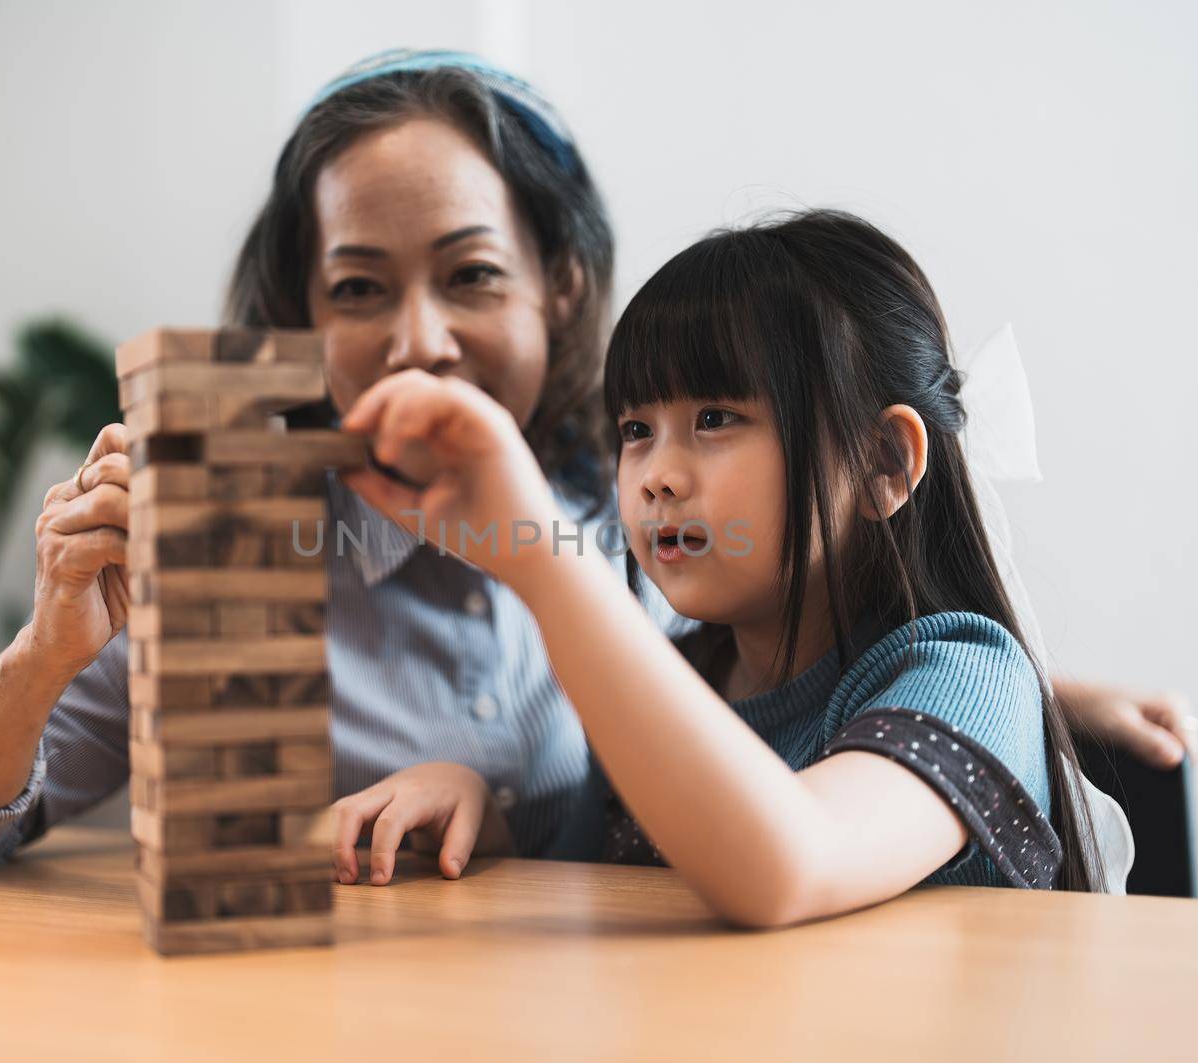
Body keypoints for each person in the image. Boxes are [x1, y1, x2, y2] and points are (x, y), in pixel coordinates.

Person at [0, 50, 1195, 873]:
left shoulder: (650, 534)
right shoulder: (225, 542)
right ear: (295, 319)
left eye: (471, 275)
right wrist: (40, 660)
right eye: (357, 287)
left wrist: (1027, 686)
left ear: (560, 287)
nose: (417, 340)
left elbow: (821, 660)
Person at [333, 211, 1100, 924]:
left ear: (884, 465)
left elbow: (788, 864)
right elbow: (593, 881)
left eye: (715, 419)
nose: (655, 476)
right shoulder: (684, 680)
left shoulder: (966, 678)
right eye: (636, 428)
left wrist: (540, 556)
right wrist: (477, 814)